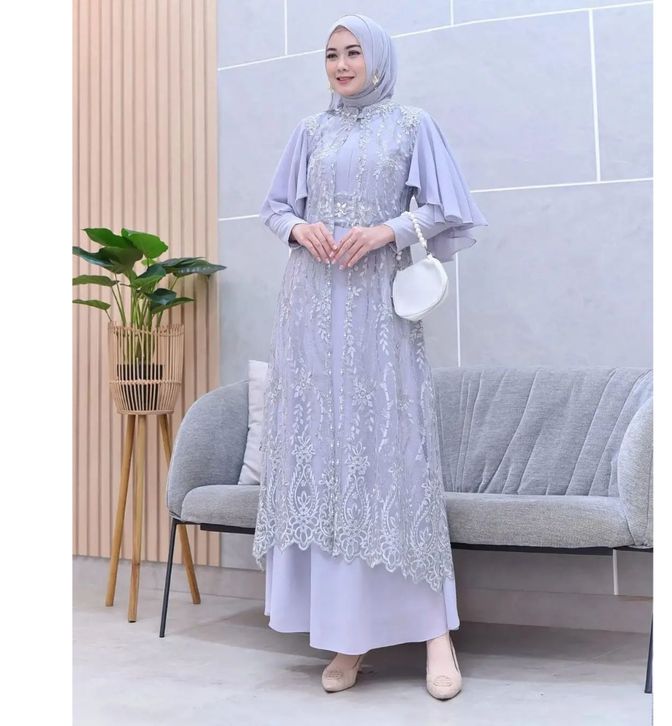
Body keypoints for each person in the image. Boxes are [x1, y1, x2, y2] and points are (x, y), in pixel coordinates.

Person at [254, 13, 488, 700]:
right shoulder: (311, 131)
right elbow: (274, 208)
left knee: (390, 458)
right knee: (329, 459)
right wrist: (300, 228)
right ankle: (347, 637)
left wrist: (387, 230)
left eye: (353, 52)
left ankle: (435, 636)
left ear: (377, 58)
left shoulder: (412, 125)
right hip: (310, 309)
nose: (341, 64)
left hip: (376, 311)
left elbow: (446, 208)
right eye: (331, 54)